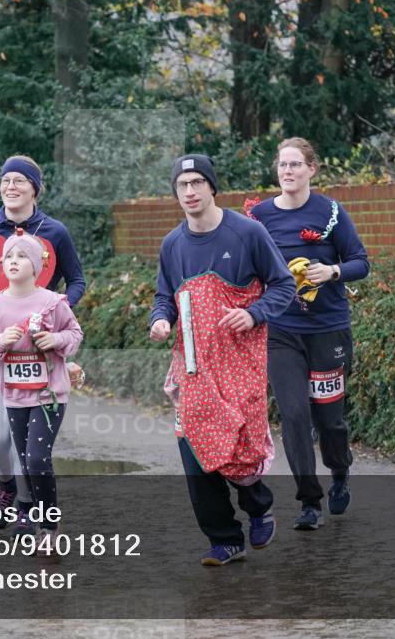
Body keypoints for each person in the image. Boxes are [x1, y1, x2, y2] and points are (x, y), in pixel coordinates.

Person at [150, 154, 294, 566]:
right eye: (182, 185)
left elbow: (283, 285)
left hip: (240, 360)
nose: (190, 192)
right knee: (194, 448)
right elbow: (165, 296)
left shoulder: (247, 233)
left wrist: (252, 313)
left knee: (239, 444)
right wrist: (161, 319)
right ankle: (224, 538)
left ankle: (259, 504)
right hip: (191, 363)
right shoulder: (172, 244)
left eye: (197, 183)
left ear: (213, 187)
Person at [246, 137, 370, 531]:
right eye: (282, 164)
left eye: (296, 164)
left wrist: (331, 271)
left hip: (327, 331)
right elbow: (247, 267)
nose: (287, 171)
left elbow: (360, 263)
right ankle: (309, 502)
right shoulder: (260, 216)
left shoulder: (332, 212)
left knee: (329, 420)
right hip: (282, 332)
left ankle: (340, 470)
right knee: (295, 415)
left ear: (312, 170)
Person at [0, 155, 85, 535]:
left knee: (31, 442)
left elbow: (77, 280)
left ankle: (30, 506)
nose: (11, 187)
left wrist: (54, 309)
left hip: (38, 349)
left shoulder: (54, 232)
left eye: (19, 181)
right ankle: (6, 485)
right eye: (5, 180)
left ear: (35, 187)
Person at [0, 231, 83, 554]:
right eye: (8, 257)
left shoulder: (52, 302)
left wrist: (57, 341)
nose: (13, 262)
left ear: (36, 266)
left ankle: (49, 527)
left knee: (37, 459)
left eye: (21, 256)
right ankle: (33, 514)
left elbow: (75, 334)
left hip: (50, 393)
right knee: (25, 461)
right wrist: (0, 342)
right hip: (14, 395)